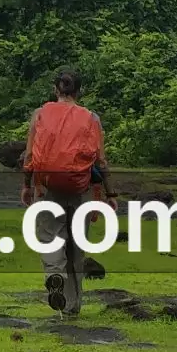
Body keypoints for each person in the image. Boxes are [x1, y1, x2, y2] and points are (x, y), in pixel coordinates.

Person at [21, 67, 113, 317]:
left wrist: (27, 186)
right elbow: (101, 161)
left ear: (55, 89)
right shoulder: (91, 118)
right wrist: (109, 193)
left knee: (50, 237)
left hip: (47, 186)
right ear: (79, 91)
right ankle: (72, 307)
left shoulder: (40, 114)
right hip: (81, 188)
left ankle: (54, 276)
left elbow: (30, 155)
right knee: (76, 247)